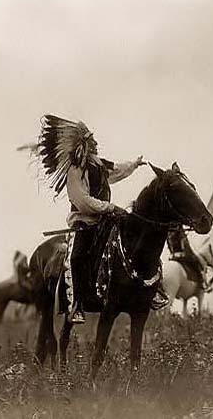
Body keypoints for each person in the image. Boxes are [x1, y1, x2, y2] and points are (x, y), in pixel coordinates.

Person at [33, 114, 168, 324]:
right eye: (92, 139)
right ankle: (77, 304)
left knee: (137, 241)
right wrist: (109, 207)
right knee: (77, 257)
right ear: (84, 144)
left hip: (106, 218)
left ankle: (154, 289)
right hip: (85, 223)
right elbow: (82, 200)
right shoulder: (76, 170)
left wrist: (134, 164)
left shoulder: (98, 165)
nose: (96, 142)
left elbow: (117, 171)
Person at [167, 225, 207, 290]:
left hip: (173, 256)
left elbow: (170, 246)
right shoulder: (177, 231)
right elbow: (183, 245)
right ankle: (202, 282)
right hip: (182, 254)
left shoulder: (168, 234)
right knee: (196, 262)